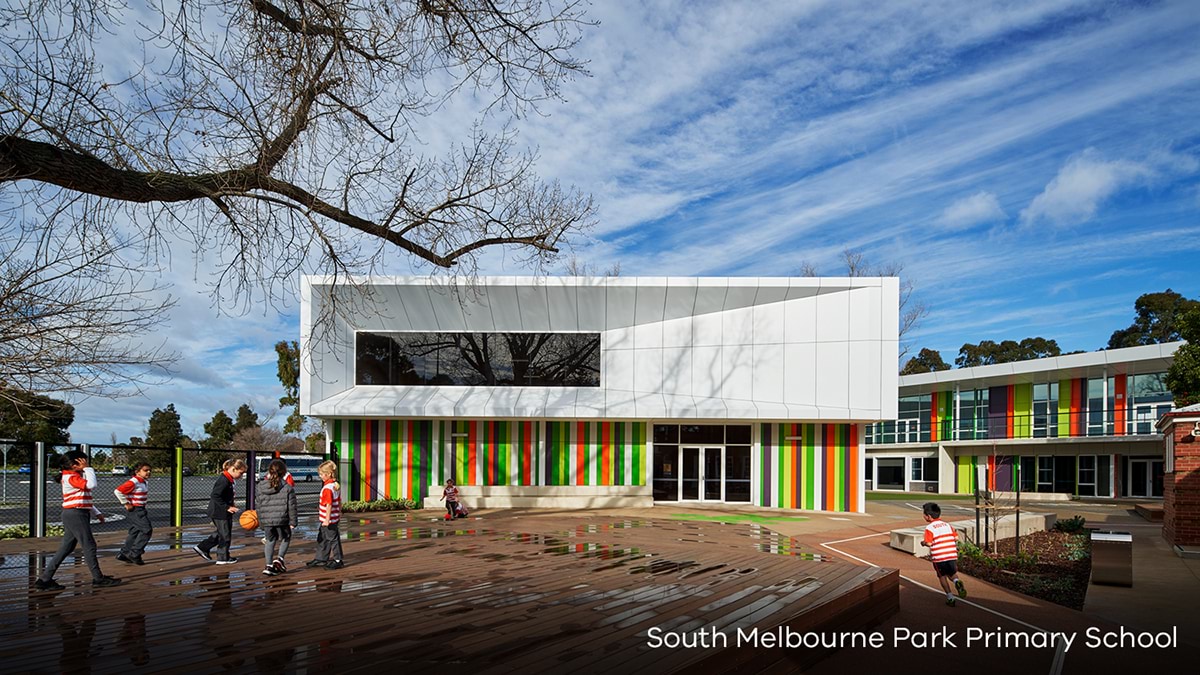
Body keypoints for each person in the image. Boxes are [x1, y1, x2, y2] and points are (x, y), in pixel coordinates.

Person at [34, 450, 121, 590]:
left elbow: (82, 499)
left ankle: (44, 580)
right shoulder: (70, 477)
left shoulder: (73, 476)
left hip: (76, 513)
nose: (86, 464)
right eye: (83, 462)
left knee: (66, 547)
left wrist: (96, 512)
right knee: (89, 545)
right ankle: (98, 579)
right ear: (75, 464)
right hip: (75, 514)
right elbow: (91, 485)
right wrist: (89, 469)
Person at [193, 458, 246, 565]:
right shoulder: (224, 480)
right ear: (233, 469)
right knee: (225, 535)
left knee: (220, 533)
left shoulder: (228, 479)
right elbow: (215, 495)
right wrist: (227, 507)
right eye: (241, 473)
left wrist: (230, 505)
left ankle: (203, 547)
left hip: (220, 511)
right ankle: (222, 557)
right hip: (220, 512)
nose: (242, 476)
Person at [255, 458, 298, 576]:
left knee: (270, 541)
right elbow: (292, 506)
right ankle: (280, 559)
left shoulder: (260, 487)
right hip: (282, 519)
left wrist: (261, 521)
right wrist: (293, 521)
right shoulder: (287, 488)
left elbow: (258, 505)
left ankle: (268, 565)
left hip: (267, 520)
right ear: (284, 472)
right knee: (286, 538)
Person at [920, 502, 968, 606]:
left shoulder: (930, 528)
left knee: (942, 576)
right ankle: (956, 581)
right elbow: (955, 537)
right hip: (951, 554)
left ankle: (950, 597)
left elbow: (928, 543)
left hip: (939, 557)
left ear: (928, 516)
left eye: (924, 514)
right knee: (952, 573)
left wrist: (923, 543)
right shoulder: (947, 525)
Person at [306, 460, 344, 570]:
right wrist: (339, 512)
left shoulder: (328, 489)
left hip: (329, 519)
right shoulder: (334, 486)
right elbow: (339, 501)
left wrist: (327, 519)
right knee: (323, 538)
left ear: (328, 474)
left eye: (322, 474)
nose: (320, 476)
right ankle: (321, 558)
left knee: (332, 539)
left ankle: (338, 560)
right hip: (330, 518)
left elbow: (329, 505)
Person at [114, 462, 153, 565]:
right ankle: (135, 553)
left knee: (135, 532)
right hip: (136, 510)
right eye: (145, 470)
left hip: (141, 509)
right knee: (146, 530)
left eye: (149, 470)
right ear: (137, 472)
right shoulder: (134, 481)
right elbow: (118, 491)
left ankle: (124, 553)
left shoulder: (143, 481)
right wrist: (126, 503)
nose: (148, 472)